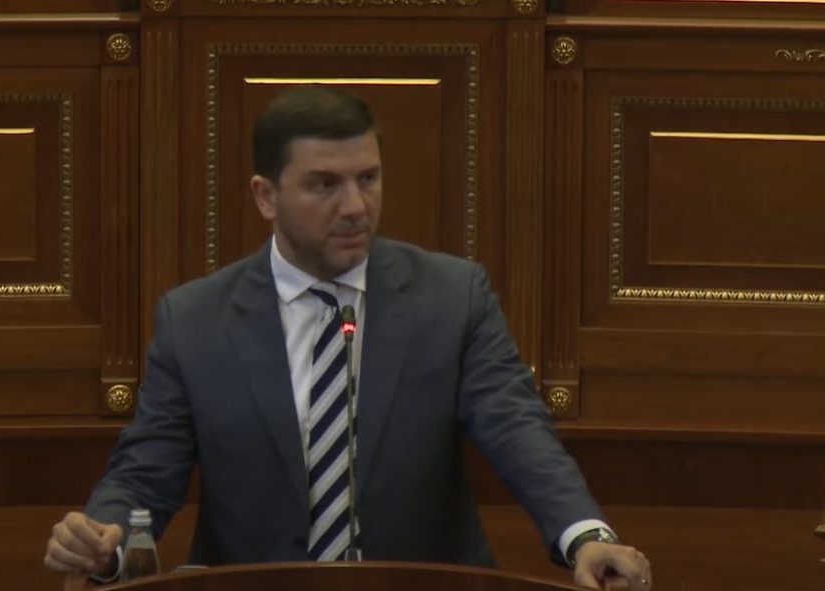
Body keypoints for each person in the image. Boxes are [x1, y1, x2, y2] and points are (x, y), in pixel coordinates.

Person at [44, 85, 652, 590]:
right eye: (324, 184)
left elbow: (518, 430)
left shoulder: (452, 297)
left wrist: (585, 536)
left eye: (368, 178)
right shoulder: (195, 320)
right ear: (265, 196)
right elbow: (146, 471)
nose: (356, 206)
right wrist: (102, 539)